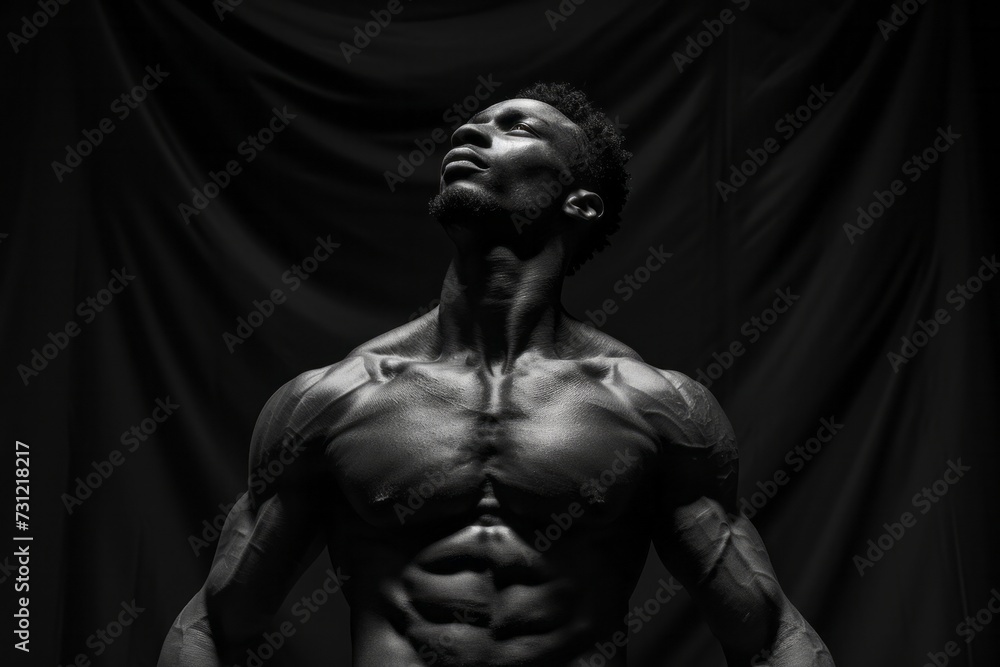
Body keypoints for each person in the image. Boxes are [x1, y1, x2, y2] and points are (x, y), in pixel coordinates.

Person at [159, 82, 835, 667]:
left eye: (515, 127)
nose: (474, 132)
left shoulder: (655, 406)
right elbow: (215, 624)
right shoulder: (332, 400)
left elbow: (769, 634)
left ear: (581, 203)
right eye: (471, 125)